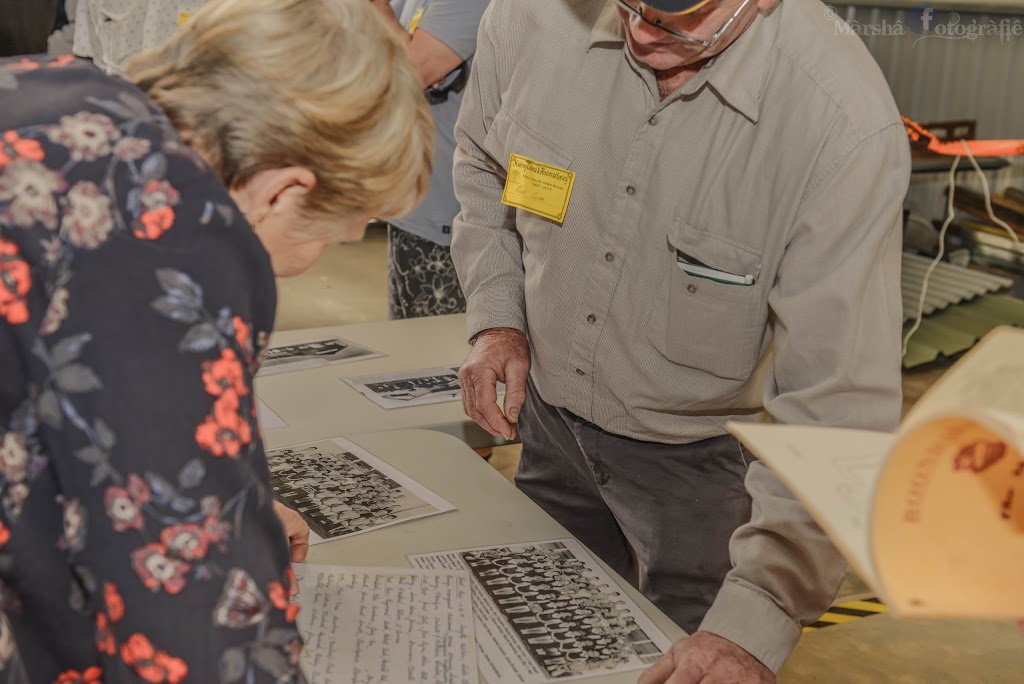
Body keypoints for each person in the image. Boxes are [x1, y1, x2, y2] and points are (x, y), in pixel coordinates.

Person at [452, 0, 910, 681]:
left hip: (700, 472)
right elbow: (484, 167)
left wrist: (760, 612)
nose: (640, 29)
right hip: (547, 425)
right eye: (629, 4)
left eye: (683, 13)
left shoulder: (839, 122)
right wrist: (499, 316)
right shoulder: (533, 17)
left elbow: (836, 403)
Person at [0, 0, 432, 680]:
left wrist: (230, 499)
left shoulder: (70, 96)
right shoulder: (169, 232)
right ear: (283, 189)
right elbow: (186, 616)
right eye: (330, 234)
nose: (310, 262)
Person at [369, 0, 491, 320]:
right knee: (404, 348)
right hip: (413, 203)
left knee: (435, 354)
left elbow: (411, 69)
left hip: (451, 223)